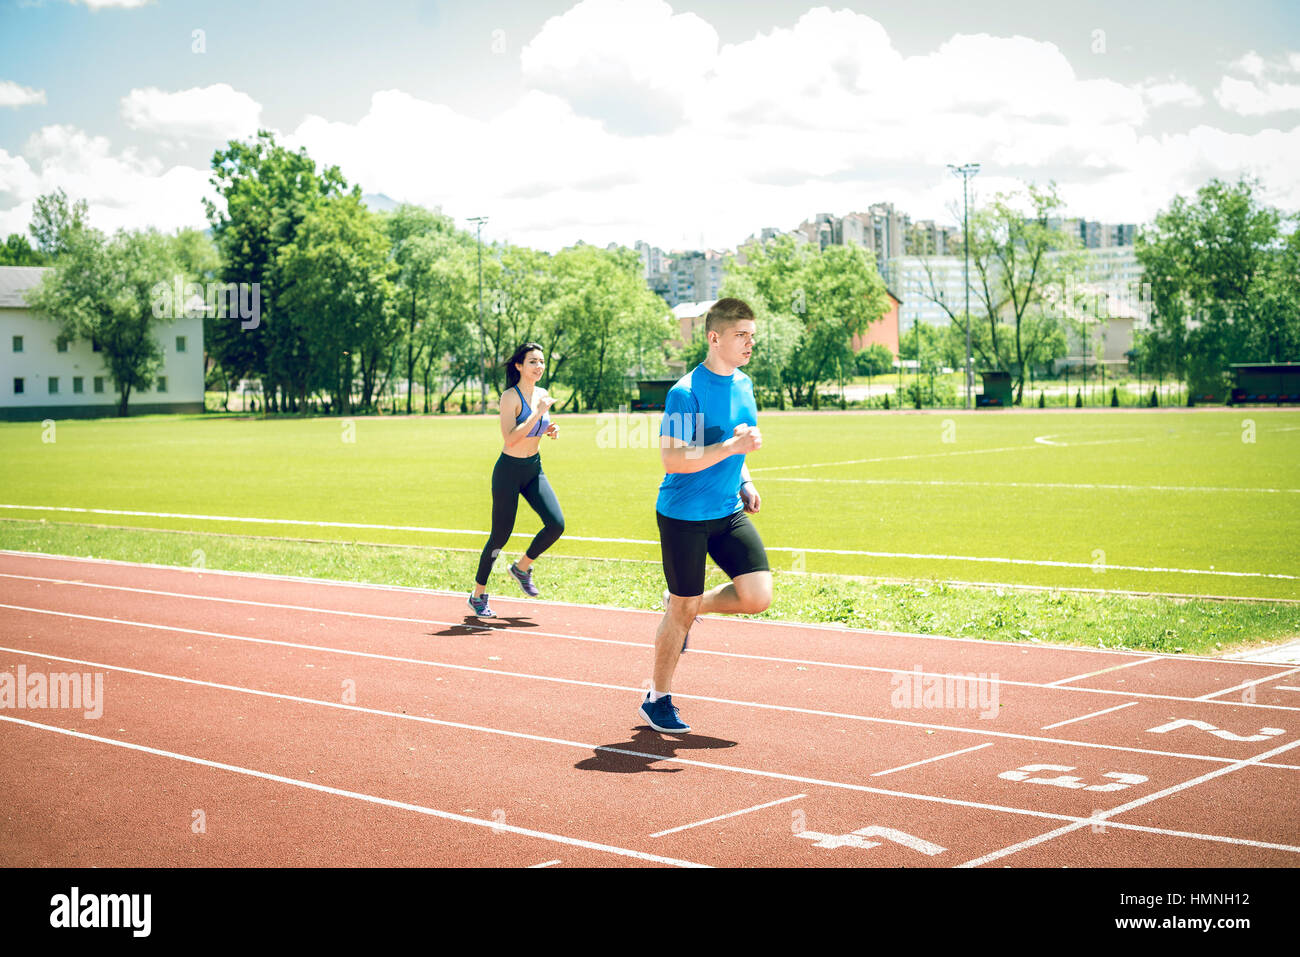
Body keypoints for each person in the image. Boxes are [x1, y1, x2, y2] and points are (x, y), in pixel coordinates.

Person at [640, 298, 772, 734]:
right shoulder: (686, 391)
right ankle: (657, 699)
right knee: (682, 611)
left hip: (727, 510)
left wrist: (744, 480)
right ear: (715, 337)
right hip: (684, 515)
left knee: (757, 596)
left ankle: (689, 606)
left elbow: (735, 441)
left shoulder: (745, 383)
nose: (750, 342)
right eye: (741, 335)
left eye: (752, 335)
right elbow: (673, 459)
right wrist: (732, 450)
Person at [468, 342, 563, 617]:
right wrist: (538, 413)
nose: (539, 367)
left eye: (542, 362)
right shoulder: (510, 397)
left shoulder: (543, 394)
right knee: (500, 536)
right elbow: (510, 437)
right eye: (533, 362)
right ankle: (477, 595)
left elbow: (541, 428)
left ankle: (521, 567)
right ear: (519, 366)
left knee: (556, 524)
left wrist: (551, 430)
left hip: (533, 469)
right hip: (509, 471)